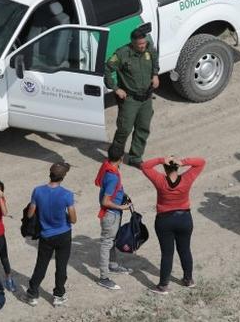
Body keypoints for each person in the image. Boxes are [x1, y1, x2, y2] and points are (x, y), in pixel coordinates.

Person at [141, 155, 206, 294]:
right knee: (185, 250)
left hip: (164, 220)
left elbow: (144, 166)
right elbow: (201, 162)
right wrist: (184, 162)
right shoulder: (187, 179)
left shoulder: (159, 180)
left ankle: (163, 285)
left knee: (167, 254)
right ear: (177, 166)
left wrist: (159, 160)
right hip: (184, 219)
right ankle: (188, 280)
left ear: (164, 167)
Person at [104, 25, 160, 167]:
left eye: (144, 43)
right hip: (130, 99)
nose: (142, 46)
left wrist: (155, 75)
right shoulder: (123, 54)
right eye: (139, 44)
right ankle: (115, 157)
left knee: (143, 128)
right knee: (124, 129)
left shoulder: (149, 49)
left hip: (146, 98)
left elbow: (155, 60)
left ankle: (135, 157)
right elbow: (106, 69)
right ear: (133, 43)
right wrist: (116, 88)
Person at [25, 162, 77, 307]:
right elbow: (73, 219)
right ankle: (58, 295)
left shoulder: (37, 191)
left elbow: (30, 214)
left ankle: (32, 294)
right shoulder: (67, 194)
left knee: (41, 265)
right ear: (63, 177)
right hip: (63, 234)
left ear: (50, 174)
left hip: (46, 235)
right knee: (61, 266)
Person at [94, 145, 134, 290]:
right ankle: (103, 277)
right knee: (107, 243)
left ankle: (113, 265)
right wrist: (121, 207)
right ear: (121, 158)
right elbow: (105, 201)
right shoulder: (112, 176)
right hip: (110, 214)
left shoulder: (107, 166)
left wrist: (122, 195)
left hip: (111, 214)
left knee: (111, 241)